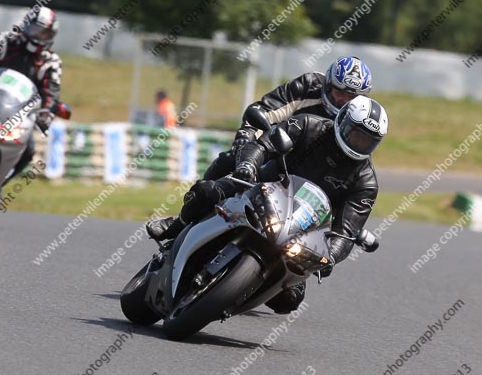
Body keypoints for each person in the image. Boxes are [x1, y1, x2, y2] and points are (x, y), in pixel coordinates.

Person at [147, 95, 388, 313]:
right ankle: (177, 225)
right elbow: (263, 145)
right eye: (355, 134)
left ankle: (233, 294)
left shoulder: (365, 182)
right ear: (342, 121)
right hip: (261, 188)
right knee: (206, 191)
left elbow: (346, 233)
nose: (359, 143)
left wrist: (330, 257)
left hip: (302, 229)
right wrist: (248, 165)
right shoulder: (307, 125)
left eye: (367, 141)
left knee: (289, 300)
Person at [203, 55, 372, 179]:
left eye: (351, 96)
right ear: (328, 85)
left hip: (316, 176)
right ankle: (184, 221)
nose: (344, 100)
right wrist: (245, 137)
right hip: (276, 156)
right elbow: (262, 110)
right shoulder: (308, 86)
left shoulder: (362, 115)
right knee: (228, 161)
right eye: (339, 92)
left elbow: (360, 153)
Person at [0, 6, 61, 208]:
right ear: (26, 27)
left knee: (28, 151)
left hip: (17, 116)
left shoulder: (51, 62)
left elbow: (51, 94)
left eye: (45, 33)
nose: (40, 36)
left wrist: (47, 114)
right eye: (37, 30)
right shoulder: (5, 40)